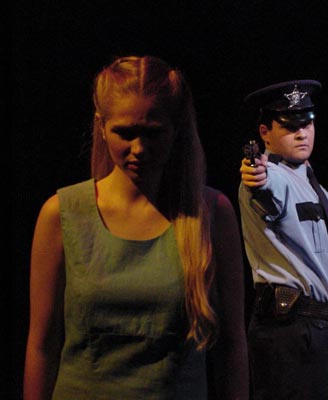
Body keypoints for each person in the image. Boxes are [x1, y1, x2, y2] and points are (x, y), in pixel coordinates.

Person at [23, 55, 249, 400]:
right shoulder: (62, 214)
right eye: (125, 133)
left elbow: (232, 345)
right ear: (101, 126)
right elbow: (42, 345)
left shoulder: (210, 214)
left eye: (153, 133)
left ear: (176, 129)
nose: (139, 149)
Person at [238, 80, 328, 399]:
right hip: (288, 330)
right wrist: (256, 177)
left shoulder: (322, 193)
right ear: (265, 133)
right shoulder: (273, 176)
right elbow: (264, 189)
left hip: (321, 329)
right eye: (290, 126)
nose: (302, 133)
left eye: (307, 124)